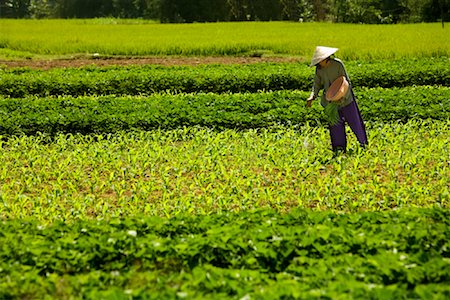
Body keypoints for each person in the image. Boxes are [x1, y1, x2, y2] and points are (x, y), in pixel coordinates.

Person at [306, 46, 368, 153]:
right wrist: (312, 96)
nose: (319, 62)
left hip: (346, 99)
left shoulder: (338, 64)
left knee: (355, 122)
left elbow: (345, 81)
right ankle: (339, 149)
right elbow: (316, 85)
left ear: (325, 58)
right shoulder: (319, 70)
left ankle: (363, 144)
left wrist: (342, 96)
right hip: (330, 102)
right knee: (335, 125)